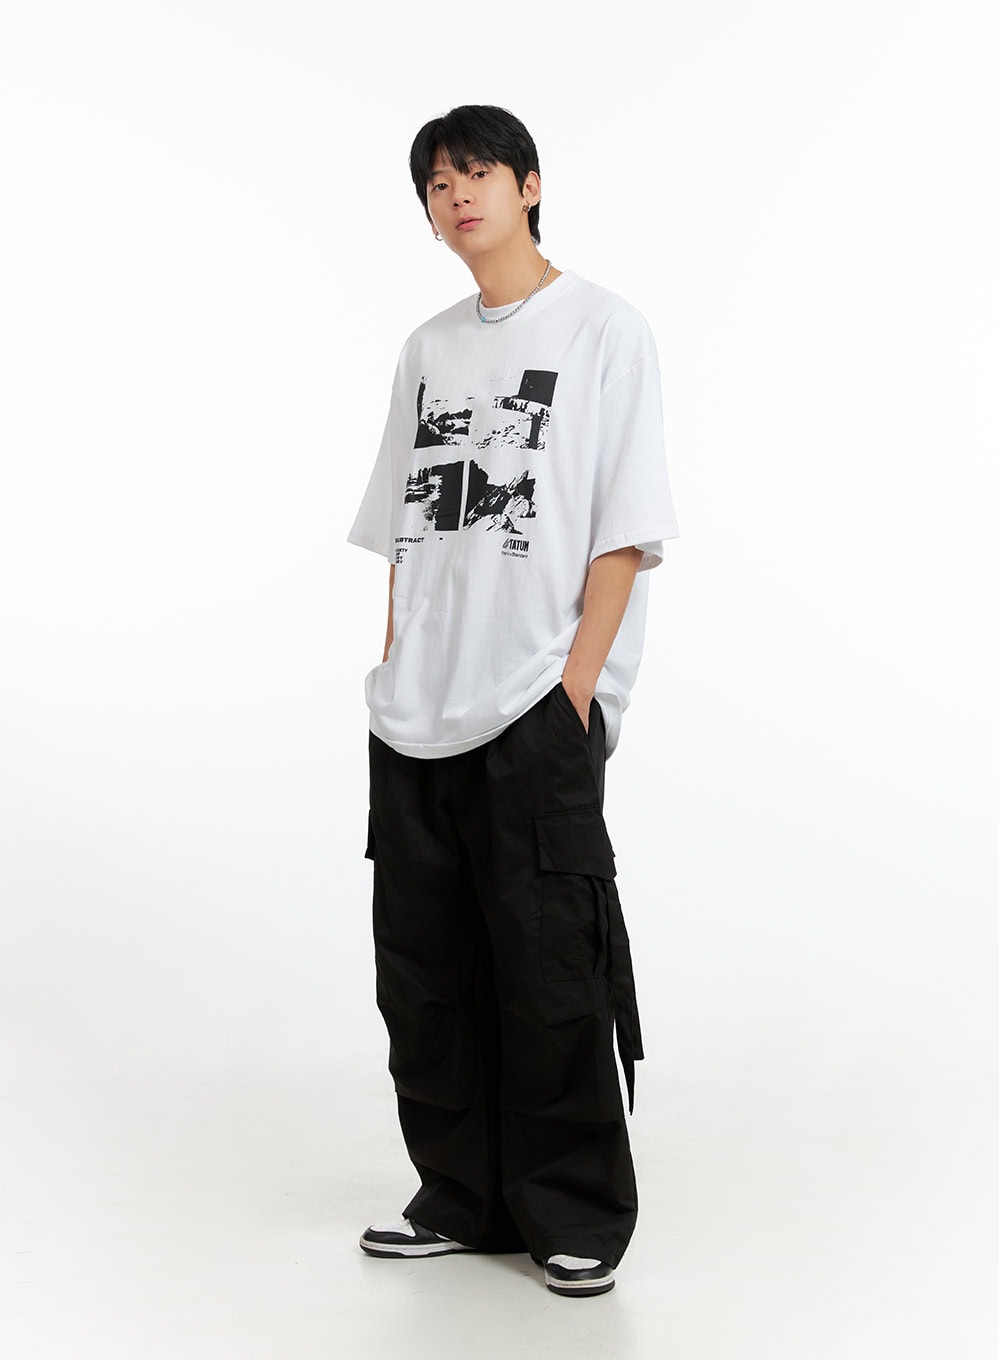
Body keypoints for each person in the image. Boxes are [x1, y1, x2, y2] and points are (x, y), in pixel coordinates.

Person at [347, 104, 680, 1298]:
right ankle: (460, 1197)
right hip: (414, 710)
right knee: (424, 971)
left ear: (529, 184)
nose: (457, 196)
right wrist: (395, 667)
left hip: (535, 699)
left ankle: (574, 1209)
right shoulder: (427, 347)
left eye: (477, 172)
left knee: (548, 966)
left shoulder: (603, 330)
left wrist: (575, 690)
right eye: (437, 183)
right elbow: (404, 531)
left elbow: (624, 532)